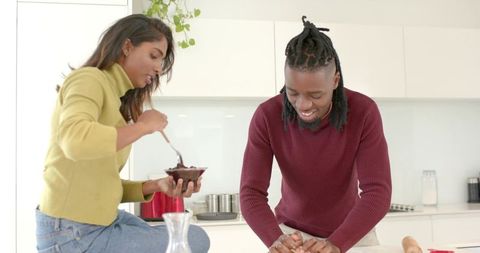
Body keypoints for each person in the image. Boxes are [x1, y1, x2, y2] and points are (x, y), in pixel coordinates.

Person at [35, 14, 210, 253]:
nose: (158, 69)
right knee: (196, 239)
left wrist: (157, 185)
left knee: (189, 234)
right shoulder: (89, 79)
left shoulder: (116, 99)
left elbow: (102, 184)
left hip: (99, 222)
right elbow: (74, 140)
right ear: (127, 47)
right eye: (154, 56)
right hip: (71, 232)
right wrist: (141, 127)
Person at [240, 16, 391, 253]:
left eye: (316, 95)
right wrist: (275, 239)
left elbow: (377, 193)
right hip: (292, 236)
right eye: (293, 93)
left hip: (352, 234)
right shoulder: (267, 116)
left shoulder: (363, 112)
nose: (303, 105)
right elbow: (251, 194)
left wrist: (336, 244)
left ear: (335, 80)